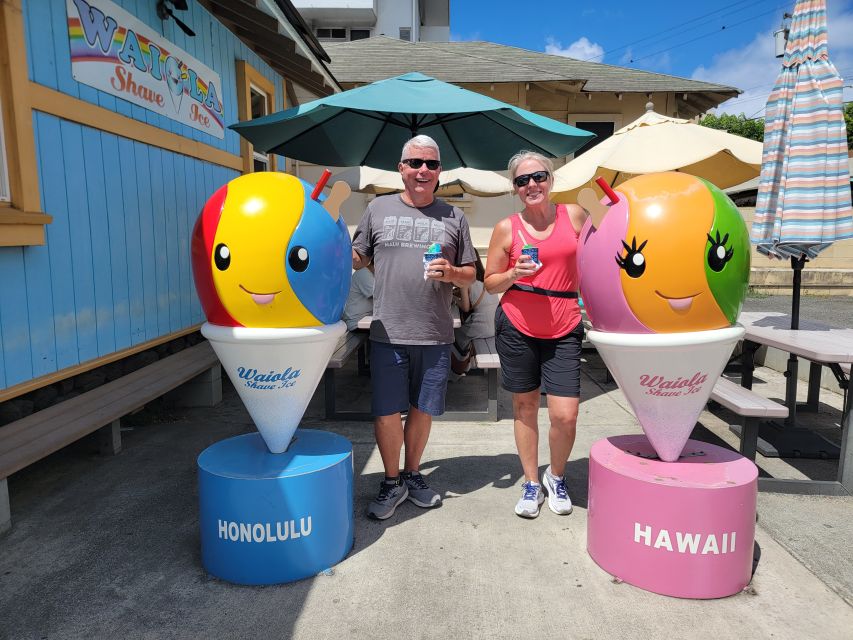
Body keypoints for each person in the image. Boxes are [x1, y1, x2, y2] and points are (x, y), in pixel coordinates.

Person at [352, 134, 476, 520]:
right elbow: (358, 258)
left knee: (423, 409)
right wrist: (330, 235)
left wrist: (453, 271)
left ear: (439, 173)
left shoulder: (454, 217)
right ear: (401, 168)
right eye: (415, 163)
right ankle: (392, 481)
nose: (423, 170)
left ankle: (412, 473)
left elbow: (471, 275)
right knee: (387, 411)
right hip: (388, 330)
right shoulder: (377, 209)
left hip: (434, 331)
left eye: (431, 165)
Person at [484, 150, 588, 519]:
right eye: (522, 180)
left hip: (564, 326)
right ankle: (531, 482)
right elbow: (490, 283)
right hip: (517, 325)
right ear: (515, 188)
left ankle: (555, 476)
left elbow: (605, 251)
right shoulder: (506, 228)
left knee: (565, 415)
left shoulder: (574, 215)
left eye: (539, 176)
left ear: (551, 179)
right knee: (525, 407)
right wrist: (514, 274)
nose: (532, 185)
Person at [450, 248, 498, 376]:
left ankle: (456, 372)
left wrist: (453, 298)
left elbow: (465, 307)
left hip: (481, 328)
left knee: (452, 335)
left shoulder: (467, 281)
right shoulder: (486, 280)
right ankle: (466, 366)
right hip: (495, 326)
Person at [342, 264, 374, 331]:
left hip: (365, 321)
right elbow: (381, 297)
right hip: (357, 323)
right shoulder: (363, 273)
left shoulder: (368, 273)